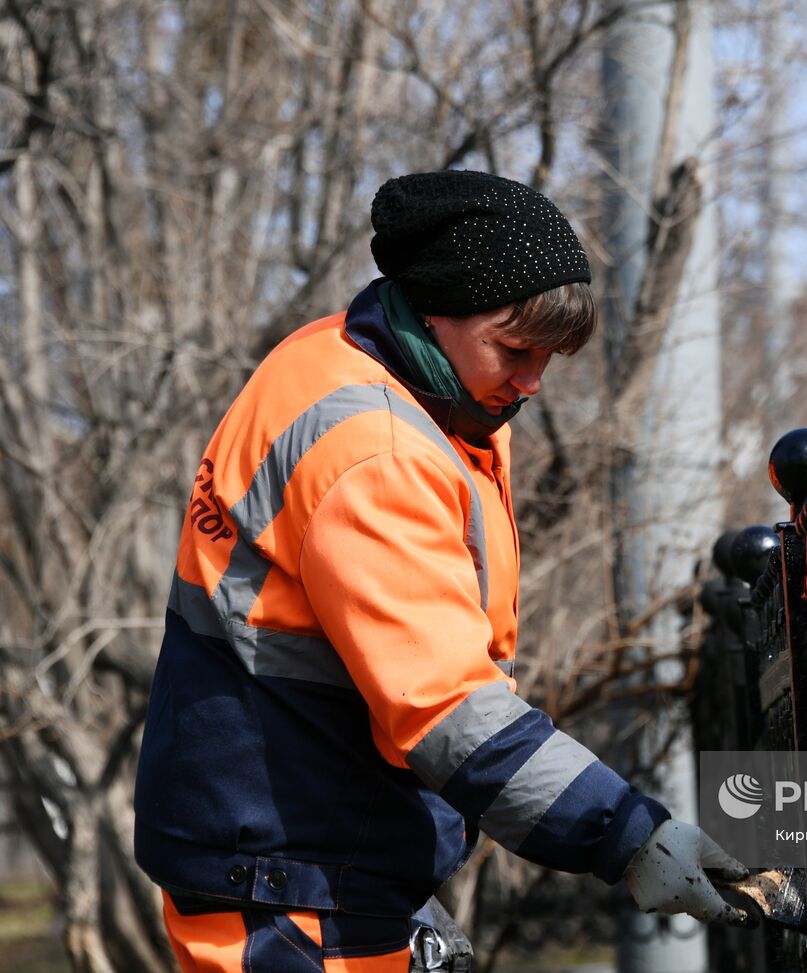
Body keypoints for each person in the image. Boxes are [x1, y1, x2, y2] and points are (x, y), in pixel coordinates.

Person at [133, 170, 747, 972]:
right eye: (515, 348)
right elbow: (449, 707)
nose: (531, 382)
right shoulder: (378, 448)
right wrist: (630, 834)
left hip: (299, 861)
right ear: (432, 309)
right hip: (290, 885)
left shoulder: (346, 360)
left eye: (549, 358)